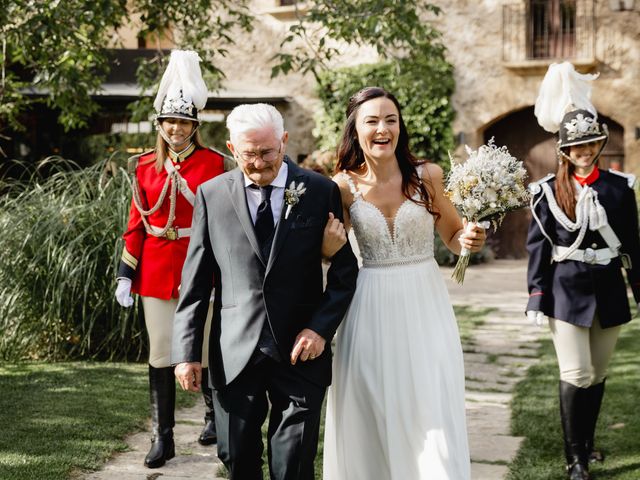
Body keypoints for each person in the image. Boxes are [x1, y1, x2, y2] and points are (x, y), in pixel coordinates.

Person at [170, 103, 359, 480]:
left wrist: (320, 329)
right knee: (236, 458)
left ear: (284, 141)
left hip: (300, 353)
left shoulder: (319, 191)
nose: (258, 163)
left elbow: (344, 274)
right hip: (234, 352)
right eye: (248, 154)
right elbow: (193, 284)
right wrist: (186, 353)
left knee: (292, 466)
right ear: (231, 148)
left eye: (267, 152)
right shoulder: (211, 195)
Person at [322, 86, 486, 479]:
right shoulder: (342, 187)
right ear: (355, 130)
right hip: (368, 307)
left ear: (400, 127)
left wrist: (469, 240)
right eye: (372, 120)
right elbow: (335, 254)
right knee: (373, 408)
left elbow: (451, 234)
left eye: (390, 120)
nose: (383, 128)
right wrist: (328, 249)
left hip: (424, 304)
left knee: (432, 407)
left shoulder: (427, 176)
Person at [526, 62, 640, 480]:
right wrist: (536, 295)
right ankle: (574, 459)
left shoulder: (618, 188)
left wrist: (638, 289)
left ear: (599, 143)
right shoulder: (546, 191)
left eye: (590, 144)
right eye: (576, 147)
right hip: (566, 291)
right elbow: (537, 248)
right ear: (564, 151)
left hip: (609, 287)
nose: (584, 152)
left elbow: (632, 244)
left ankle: (588, 446)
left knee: (599, 373)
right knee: (575, 372)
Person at [114, 50, 226, 468]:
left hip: (204, 271)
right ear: (159, 124)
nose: (175, 129)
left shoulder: (217, 165)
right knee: (161, 353)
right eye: (169, 122)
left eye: (183, 122)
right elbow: (135, 224)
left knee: (210, 349)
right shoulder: (144, 166)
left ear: (195, 125)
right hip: (158, 271)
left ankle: (214, 419)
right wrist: (126, 272)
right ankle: (163, 438)